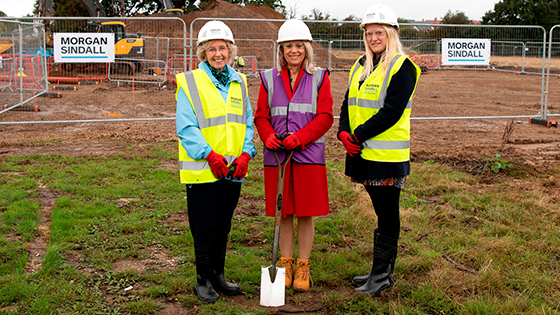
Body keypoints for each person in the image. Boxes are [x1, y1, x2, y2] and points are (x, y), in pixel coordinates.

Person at [337, 4, 420, 298]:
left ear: (391, 33)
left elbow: (392, 112)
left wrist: (357, 136)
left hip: (386, 157)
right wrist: (343, 131)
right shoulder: (361, 65)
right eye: (369, 33)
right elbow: (348, 102)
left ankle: (382, 276)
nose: (373, 37)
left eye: (379, 32)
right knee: (380, 211)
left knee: (386, 213)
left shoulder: (403, 67)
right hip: (364, 152)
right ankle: (378, 271)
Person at [175, 20, 257, 303]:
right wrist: (209, 155)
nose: (218, 53)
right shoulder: (189, 82)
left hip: (232, 169)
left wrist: (246, 153)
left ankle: (218, 275)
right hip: (203, 169)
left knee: (223, 223)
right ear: (203, 53)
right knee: (204, 225)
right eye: (212, 49)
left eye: (223, 48)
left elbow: (247, 122)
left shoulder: (239, 81)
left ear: (231, 51)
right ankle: (203, 280)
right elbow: (186, 128)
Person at [254, 19, 334, 292]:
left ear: (307, 48)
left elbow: (325, 116)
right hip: (276, 156)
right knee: (283, 211)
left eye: (299, 45)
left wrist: (300, 137)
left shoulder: (320, 77)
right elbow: (261, 116)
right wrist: (267, 136)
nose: (294, 50)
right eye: (288, 46)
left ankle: (303, 264)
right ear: (281, 49)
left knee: (306, 212)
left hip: (308, 154)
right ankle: (285, 263)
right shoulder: (268, 78)